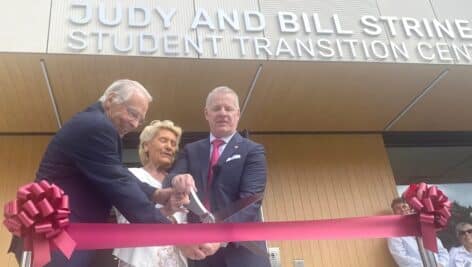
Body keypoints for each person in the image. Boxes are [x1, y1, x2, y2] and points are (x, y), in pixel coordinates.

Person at [9, 79, 190, 267]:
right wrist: (171, 232)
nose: (135, 123)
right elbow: (118, 183)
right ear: (111, 100)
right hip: (52, 234)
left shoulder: (96, 123)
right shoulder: (97, 127)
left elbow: (117, 172)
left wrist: (156, 194)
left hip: (63, 235)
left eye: (140, 119)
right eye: (132, 113)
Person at [164, 86, 271, 267]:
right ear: (207, 113)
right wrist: (177, 179)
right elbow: (169, 178)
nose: (222, 113)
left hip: (243, 252)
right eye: (216, 108)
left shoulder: (252, 151)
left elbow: (251, 201)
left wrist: (219, 235)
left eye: (228, 108)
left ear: (237, 114)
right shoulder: (191, 150)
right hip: (200, 252)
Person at [113, 120, 188, 267]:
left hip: (174, 259)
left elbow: (184, 220)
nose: (169, 147)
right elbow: (126, 219)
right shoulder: (130, 175)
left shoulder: (178, 182)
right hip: (139, 258)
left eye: (173, 144)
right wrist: (167, 210)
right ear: (146, 145)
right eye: (163, 140)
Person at [387, 197, 449, 267]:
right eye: (398, 208)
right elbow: (401, 258)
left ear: (410, 209)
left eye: (404, 206)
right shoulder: (394, 235)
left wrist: (441, 264)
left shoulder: (425, 229)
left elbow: (442, 251)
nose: (402, 209)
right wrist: (426, 265)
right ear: (395, 213)